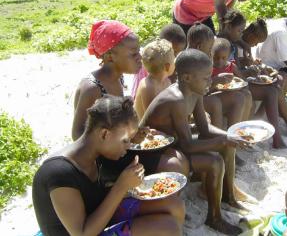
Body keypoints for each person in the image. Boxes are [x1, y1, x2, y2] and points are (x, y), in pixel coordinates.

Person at [33, 95, 185, 236]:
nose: (128, 146)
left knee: (174, 205)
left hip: (97, 216)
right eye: (125, 140)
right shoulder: (59, 173)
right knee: (167, 227)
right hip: (85, 231)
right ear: (104, 134)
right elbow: (82, 233)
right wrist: (121, 187)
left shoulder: (96, 153)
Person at [140, 49, 246, 235]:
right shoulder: (176, 99)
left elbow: (204, 129)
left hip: (174, 144)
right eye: (206, 78)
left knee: (227, 147)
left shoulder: (195, 92)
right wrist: (223, 140)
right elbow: (188, 145)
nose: (211, 81)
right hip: (153, 154)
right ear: (187, 78)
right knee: (215, 161)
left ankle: (227, 198)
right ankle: (214, 218)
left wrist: (230, 136)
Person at [72, 20, 188, 179]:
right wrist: (117, 142)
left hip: (121, 148)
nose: (140, 57)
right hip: (106, 161)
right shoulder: (92, 88)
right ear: (110, 56)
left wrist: (134, 133)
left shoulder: (118, 79)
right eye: (133, 53)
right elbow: (77, 134)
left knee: (178, 157)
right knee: (174, 165)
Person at [220, 11, 287, 148]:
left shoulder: (234, 43)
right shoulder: (224, 45)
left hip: (239, 82)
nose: (241, 35)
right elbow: (232, 72)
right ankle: (283, 135)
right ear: (228, 27)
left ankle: (286, 131)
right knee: (272, 90)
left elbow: (236, 66)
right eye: (240, 31)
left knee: (275, 87)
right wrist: (248, 70)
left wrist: (251, 66)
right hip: (232, 86)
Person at [187, 23, 252, 129]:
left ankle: (239, 132)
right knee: (231, 99)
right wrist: (215, 81)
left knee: (246, 95)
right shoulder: (191, 62)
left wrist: (217, 81)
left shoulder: (195, 59)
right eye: (209, 50)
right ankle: (230, 138)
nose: (210, 54)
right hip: (193, 102)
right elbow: (199, 92)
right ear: (199, 46)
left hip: (200, 98)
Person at [131, 24, 187, 99]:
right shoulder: (145, 70)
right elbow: (136, 96)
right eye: (173, 53)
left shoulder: (168, 79)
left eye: (179, 53)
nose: (176, 57)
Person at [134, 39, 175, 119]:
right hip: (144, 128)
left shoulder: (167, 82)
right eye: (173, 59)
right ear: (167, 67)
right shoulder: (147, 86)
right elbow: (151, 117)